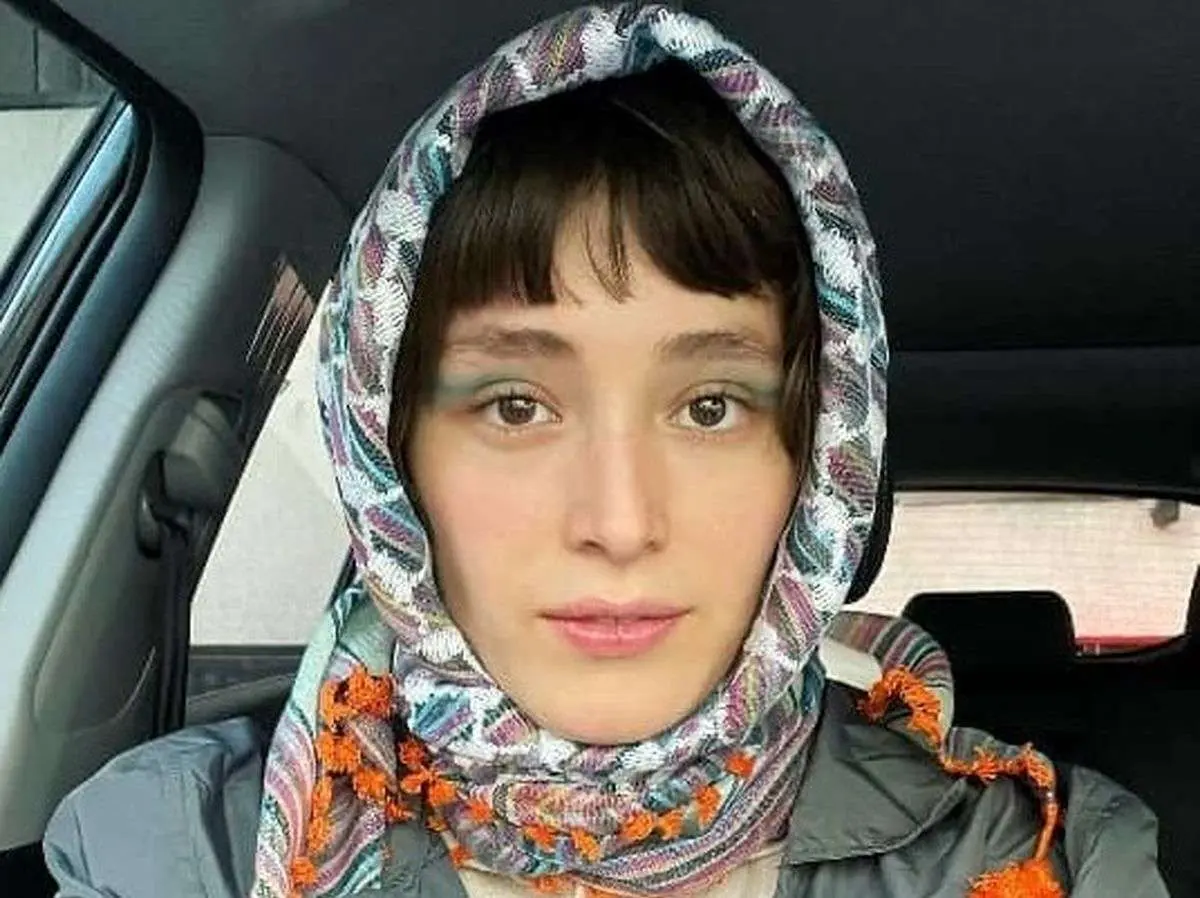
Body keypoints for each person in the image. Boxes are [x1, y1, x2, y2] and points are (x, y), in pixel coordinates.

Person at [43, 5, 1167, 897]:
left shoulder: (1042, 862)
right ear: (388, 459)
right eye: (515, 405)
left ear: (821, 474)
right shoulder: (169, 851)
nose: (620, 522)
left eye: (711, 406)